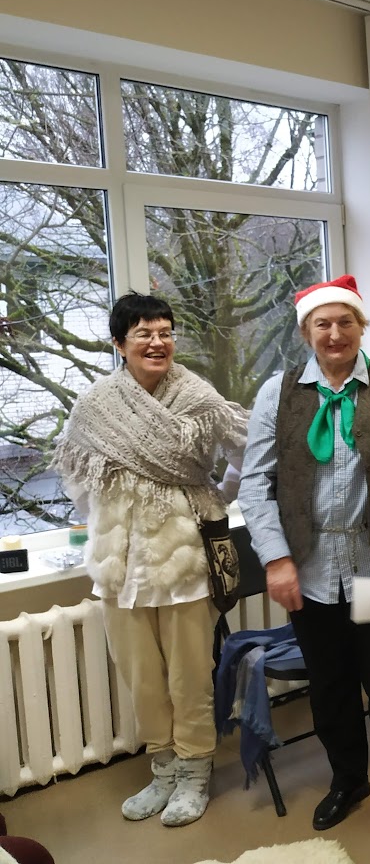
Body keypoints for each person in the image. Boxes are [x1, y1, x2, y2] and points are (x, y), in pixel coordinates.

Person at [238, 274, 370, 833]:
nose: (334, 334)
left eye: (345, 322)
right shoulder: (277, 394)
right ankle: (348, 780)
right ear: (306, 332)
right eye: (322, 324)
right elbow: (255, 485)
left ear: (361, 327)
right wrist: (277, 559)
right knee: (329, 687)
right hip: (309, 571)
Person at [54, 292, 249, 827]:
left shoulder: (197, 395)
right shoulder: (96, 405)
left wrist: (217, 495)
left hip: (186, 565)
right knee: (141, 677)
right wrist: (109, 515)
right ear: (120, 344)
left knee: (190, 677)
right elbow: (75, 473)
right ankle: (162, 770)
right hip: (120, 567)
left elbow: (247, 449)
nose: (157, 342)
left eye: (165, 332)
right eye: (144, 333)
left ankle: (195, 773)